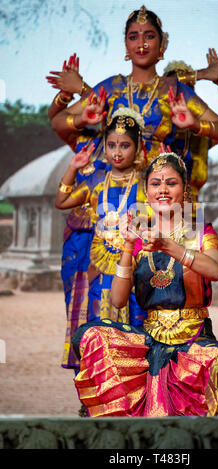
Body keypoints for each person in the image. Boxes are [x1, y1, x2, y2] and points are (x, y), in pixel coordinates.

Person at [71, 152, 218, 417]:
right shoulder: (139, 238)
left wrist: (168, 245)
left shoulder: (202, 233)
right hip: (149, 337)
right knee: (89, 336)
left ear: (184, 190)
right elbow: (118, 300)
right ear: (146, 191)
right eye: (155, 183)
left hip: (193, 339)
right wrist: (128, 246)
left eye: (171, 183)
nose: (162, 189)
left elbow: (215, 270)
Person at [48, 5, 218, 192]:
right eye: (133, 37)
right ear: (126, 45)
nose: (142, 44)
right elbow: (57, 121)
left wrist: (195, 125)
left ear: (162, 46)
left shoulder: (174, 89)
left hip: (156, 188)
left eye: (150, 36)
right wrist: (81, 119)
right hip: (113, 184)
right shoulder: (112, 86)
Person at [55, 108, 148, 371]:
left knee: (135, 330)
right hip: (99, 269)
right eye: (111, 145)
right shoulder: (96, 180)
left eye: (125, 145)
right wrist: (73, 168)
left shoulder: (146, 182)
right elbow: (61, 201)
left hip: (134, 267)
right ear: (105, 147)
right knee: (98, 329)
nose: (117, 152)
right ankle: (97, 396)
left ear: (138, 147)